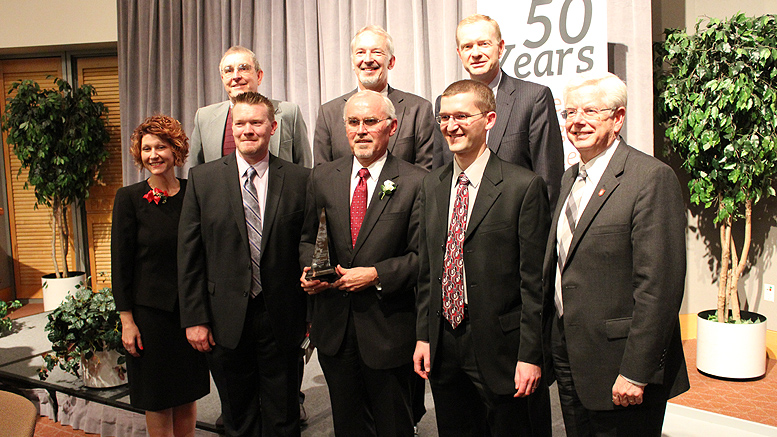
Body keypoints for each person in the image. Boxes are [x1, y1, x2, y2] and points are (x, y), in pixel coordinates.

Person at [543, 72, 689, 436]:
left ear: (618, 117)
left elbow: (659, 287)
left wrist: (636, 370)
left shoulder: (650, 178)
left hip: (621, 363)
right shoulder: (569, 178)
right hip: (570, 353)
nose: (576, 121)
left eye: (590, 111)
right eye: (569, 112)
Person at [414, 79, 551, 436]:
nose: (451, 125)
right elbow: (429, 270)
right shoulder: (433, 185)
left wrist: (530, 355)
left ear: (489, 119)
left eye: (462, 115)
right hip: (444, 343)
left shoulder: (523, 187)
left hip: (501, 348)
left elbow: (535, 283)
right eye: (444, 117)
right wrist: (424, 336)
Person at [178, 92, 310, 436]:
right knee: (238, 418)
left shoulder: (300, 179)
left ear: (273, 127)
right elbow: (189, 256)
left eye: (256, 122)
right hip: (223, 320)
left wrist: (311, 314)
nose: (247, 130)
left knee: (284, 416)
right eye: (240, 123)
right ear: (231, 128)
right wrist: (195, 319)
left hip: (282, 317)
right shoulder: (203, 180)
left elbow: (307, 246)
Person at [300, 90, 427, 436]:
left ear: (392, 127)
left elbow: (422, 258)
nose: (361, 130)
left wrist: (376, 274)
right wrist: (310, 271)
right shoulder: (322, 176)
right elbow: (311, 238)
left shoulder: (417, 182)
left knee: (393, 425)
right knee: (349, 425)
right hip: (335, 331)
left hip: (388, 329)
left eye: (370, 121)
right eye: (353, 122)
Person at [111, 115, 209, 437]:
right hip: (150, 315)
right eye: (147, 148)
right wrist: (127, 320)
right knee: (156, 399)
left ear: (175, 150)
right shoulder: (129, 198)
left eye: (161, 147)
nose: (153, 154)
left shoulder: (193, 192)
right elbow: (120, 264)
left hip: (190, 313)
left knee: (187, 393)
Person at [433, 14, 564, 210]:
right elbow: (441, 174)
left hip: (514, 226)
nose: (475, 53)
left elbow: (548, 180)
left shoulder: (534, 97)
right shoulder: (444, 104)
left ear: (501, 48)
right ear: (459, 54)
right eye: (467, 46)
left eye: (484, 44)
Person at [314, 25, 435, 170]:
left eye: (377, 52)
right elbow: (322, 176)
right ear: (353, 63)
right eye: (360, 52)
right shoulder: (328, 113)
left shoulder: (418, 110)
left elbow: (425, 174)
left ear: (391, 62)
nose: (368, 59)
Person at [189, 45, 312, 168]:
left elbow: (304, 170)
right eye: (228, 70)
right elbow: (196, 174)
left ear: (259, 76)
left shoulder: (289, 113)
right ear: (222, 78)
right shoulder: (204, 118)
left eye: (243, 68)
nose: (236, 76)